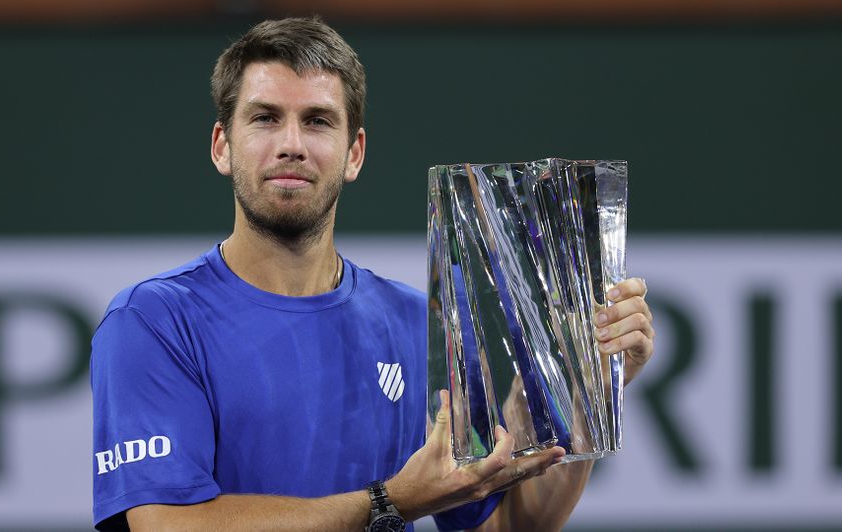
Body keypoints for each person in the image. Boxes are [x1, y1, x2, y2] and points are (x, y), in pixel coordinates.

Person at [90, 16, 655, 532]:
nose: (291, 145)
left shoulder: (417, 322)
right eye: (265, 118)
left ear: (354, 153)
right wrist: (390, 501)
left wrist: (590, 390)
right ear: (223, 147)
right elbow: (167, 526)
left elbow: (502, 526)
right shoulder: (152, 321)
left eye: (317, 121)